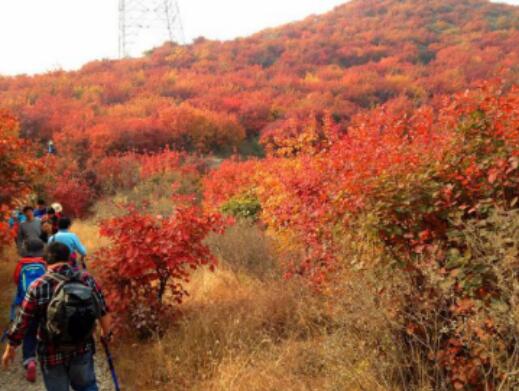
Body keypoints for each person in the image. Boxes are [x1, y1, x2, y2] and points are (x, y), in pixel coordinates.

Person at [2, 242, 112, 391]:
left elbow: (23, 320)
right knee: (87, 386)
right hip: (82, 347)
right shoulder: (86, 279)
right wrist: (106, 334)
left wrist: (11, 346)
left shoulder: (38, 285)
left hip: (50, 352)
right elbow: (103, 311)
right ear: (69, 258)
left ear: (45, 260)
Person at [11, 238, 47, 383]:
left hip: (27, 303)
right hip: (44, 303)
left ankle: (30, 360)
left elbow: (16, 280)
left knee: (29, 332)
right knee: (45, 329)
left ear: (26, 249)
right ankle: (47, 359)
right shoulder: (44, 263)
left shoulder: (21, 264)